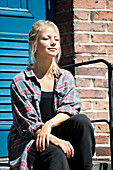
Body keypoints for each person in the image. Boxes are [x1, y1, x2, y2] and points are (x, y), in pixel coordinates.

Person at [7, 20, 95, 170]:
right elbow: (29, 126)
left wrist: (49, 125)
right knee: (56, 153)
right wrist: (57, 141)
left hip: (56, 132)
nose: (53, 43)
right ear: (33, 43)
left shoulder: (65, 77)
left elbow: (70, 108)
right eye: (46, 38)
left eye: (56, 39)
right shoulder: (20, 81)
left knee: (82, 122)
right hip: (32, 141)